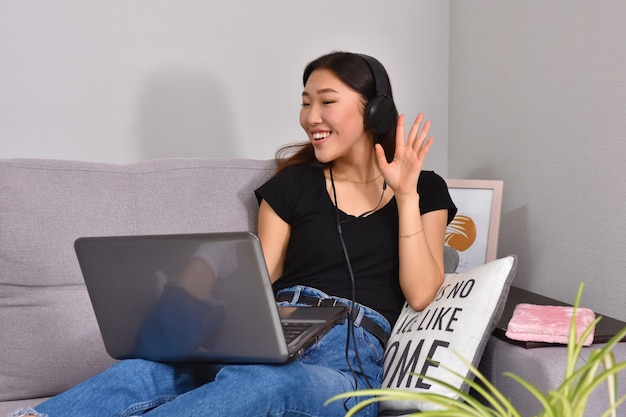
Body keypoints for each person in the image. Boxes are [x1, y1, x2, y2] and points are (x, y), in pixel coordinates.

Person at [12, 51, 456, 417]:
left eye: (326, 101)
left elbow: (420, 293)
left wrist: (405, 194)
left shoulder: (424, 188)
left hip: (347, 359)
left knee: (266, 384)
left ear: (372, 108)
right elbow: (259, 276)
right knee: (149, 369)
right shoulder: (292, 184)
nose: (310, 117)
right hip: (274, 328)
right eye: (305, 102)